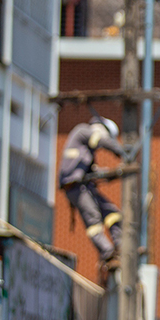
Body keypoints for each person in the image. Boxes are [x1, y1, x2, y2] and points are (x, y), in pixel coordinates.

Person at [58, 115, 125, 271]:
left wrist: (114, 174)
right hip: (75, 187)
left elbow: (93, 173)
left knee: (112, 212)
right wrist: (120, 151)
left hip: (84, 187)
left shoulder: (86, 152)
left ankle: (121, 246)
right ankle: (107, 252)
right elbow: (99, 139)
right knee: (93, 218)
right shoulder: (82, 131)